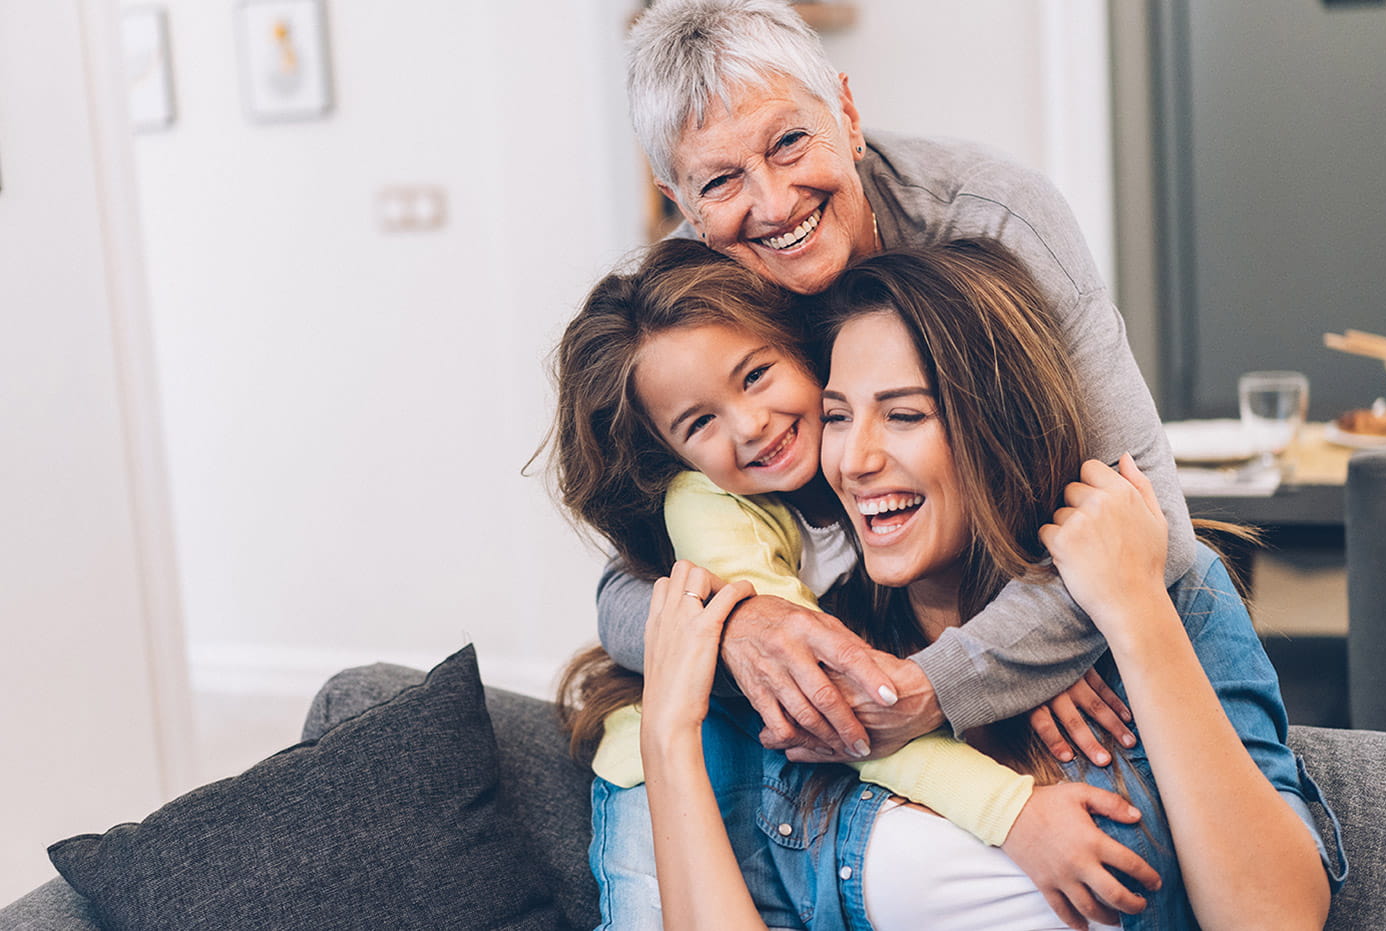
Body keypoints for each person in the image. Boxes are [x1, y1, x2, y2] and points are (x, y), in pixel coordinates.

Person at [634, 241, 1338, 930]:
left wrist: (1133, 611)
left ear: (999, 426)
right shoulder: (823, 655)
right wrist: (667, 737)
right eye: (839, 415)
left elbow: (1277, 918)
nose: (854, 459)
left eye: (905, 414)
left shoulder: (1169, 597)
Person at [597, 0, 1191, 768]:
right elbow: (621, 591)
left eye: (788, 141)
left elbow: (1153, 529)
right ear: (681, 204)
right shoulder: (688, 308)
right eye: (720, 180)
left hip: (1024, 639)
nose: (773, 204)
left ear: (846, 112)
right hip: (859, 644)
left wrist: (947, 677)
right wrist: (739, 625)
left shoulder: (994, 218)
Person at [551, 237, 1155, 929]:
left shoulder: (859, 465)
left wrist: (1041, 652)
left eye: (754, 376)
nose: (751, 426)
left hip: (788, 755)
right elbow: (838, 701)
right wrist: (1011, 813)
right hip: (663, 765)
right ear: (671, 452)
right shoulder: (709, 506)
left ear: (800, 347)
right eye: (700, 422)